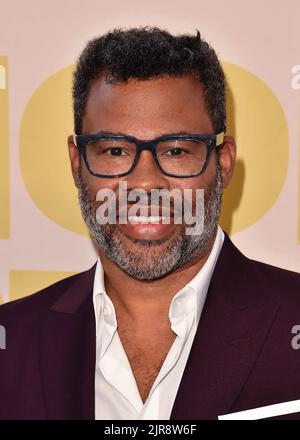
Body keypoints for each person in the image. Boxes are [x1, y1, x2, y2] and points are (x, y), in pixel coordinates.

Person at [1, 27, 300, 421]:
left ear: (223, 161)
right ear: (77, 163)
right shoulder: (12, 342)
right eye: (114, 150)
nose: (144, 183)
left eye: (176, 150)